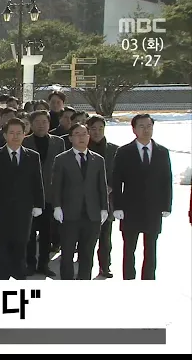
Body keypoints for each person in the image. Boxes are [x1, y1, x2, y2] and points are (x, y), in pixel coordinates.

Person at [112, 114, 172, 280]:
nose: (146, 130)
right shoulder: (124, 152)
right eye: (142, 126)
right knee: (129, 250)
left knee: (151, 249)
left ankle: (148, 281)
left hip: (153, 209)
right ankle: (129, 280)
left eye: (149, 126)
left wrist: (166, 205)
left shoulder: (162, 152)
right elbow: (116, 181)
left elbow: (166, 180)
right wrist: (117, 206)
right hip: (130, 209)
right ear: (134, 129)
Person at [0, 118, 44, 280]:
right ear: (5, 135)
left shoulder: (32, 156)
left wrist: (38, 204)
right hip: (1, 208)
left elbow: (37, 182)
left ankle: (19, 278)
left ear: (24, 134)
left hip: (24, 209)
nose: (15, 136)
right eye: (11, 133)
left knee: (21, 245)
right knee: (2, 246)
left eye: (19, 133)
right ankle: (3, 279)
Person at [52, 124, 109, 280]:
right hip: (69, 215)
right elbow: (56, 185)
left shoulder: (98, 160)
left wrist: (104, 208)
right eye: (77, 134)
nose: (81, 137)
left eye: (84, 134)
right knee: (67, 253)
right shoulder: (61, 159)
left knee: (87, 254)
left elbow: (102, 186)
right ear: (70, 138)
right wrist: (57, 206)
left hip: (92, 215)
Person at [22, 110, 65, 277]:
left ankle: (44, 264)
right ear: (31, 125)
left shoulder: (58, 142)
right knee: (30, 233)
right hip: (30, 195)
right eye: (37, 122)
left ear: (49, 124)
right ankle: (30, 263)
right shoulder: (25, 142)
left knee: (47, 233)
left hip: (50, 194)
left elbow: (61, 169)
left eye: (44, 122)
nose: (41, 125)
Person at [86, 115, 118, 278]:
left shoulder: (114, 150)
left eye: (100, 128)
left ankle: (105, 266)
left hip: (107, 198)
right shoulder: (82, 148)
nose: (97, 132)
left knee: (105, 236)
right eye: (93, 129)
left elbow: (119, 173)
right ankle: (85, 266)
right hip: (86, 199)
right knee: (87, 237)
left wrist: (111, 186)